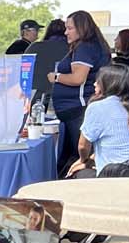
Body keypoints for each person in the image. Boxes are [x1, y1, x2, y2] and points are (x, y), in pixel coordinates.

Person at [46, 10, 111, 174]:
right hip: (73, 110)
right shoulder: (92, 46)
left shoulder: (84, 48)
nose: (66, 32)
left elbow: (77, 78)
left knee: (80, 159)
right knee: (68, 159)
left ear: (82, 28)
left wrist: (56, 77)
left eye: (69, 28)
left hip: (77, 109)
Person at [65, 63, 129, 178]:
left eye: (98, 81)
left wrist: (83, 160)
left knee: (75, 174)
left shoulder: (97, 107)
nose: (94, 84)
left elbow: (82, 146)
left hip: (112, 174)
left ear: (108, 84)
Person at [26, 18, 68, 109]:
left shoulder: (35, 47)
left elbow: (24, 72)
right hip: (64, 98)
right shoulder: (73, 49)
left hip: (36, 97)